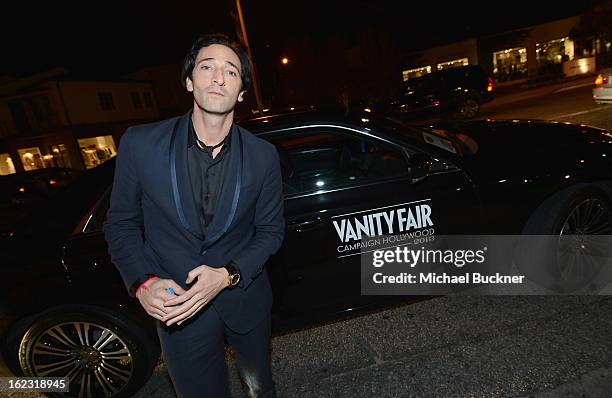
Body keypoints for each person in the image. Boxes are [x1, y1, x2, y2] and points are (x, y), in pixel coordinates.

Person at [104, 33, 285, 398]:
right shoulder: (140, 144)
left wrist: (227, 275)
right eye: (207, 67)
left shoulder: (264, 155)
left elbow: (271, 231)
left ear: (242, 92)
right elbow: (120, 224)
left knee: (258, 387)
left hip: (244, 299)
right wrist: (142, 283)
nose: (219, 77)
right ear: (189, 81)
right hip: (177, 306)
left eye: (231, 71)